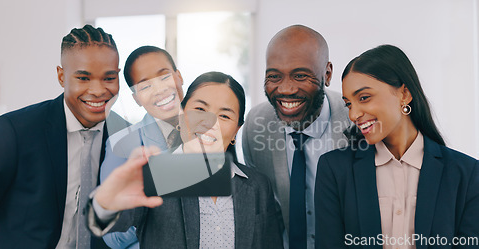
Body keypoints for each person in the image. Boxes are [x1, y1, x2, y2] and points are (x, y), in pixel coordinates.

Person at [88, 71, 284, 249]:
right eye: (200, 109)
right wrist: (105, 202)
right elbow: (112, 223)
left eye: (224, 116)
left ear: (236, 131)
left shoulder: (258, 186)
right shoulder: (156, 174)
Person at [315, 44, 479, 249]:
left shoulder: (467, 173)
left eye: (364, 98)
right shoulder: (334, 170)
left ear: (405, 94)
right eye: (349, 103)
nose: (353, 114)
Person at [0, 24, 120, 248]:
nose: (98, 90)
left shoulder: (125, 139)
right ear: (62, 76)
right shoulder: (13, 131)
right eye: (83, 78)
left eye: (109, 78)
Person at [242, 24, 351, 249]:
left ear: (327, 74)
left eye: (300, 75)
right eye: (274, 76)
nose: (286, 89)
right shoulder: (255, 125)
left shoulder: (355, 120)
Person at [99, 46, 184, 249]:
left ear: (179, 77)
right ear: (136, 98)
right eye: (145, 87)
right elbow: (111, 237)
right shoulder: (122, 145)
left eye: (164, 77)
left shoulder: (209, 130)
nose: (160, 90)